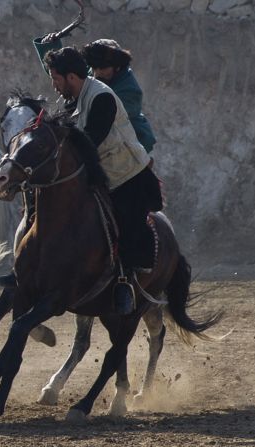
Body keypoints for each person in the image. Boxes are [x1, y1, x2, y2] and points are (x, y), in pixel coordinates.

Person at [42, 47, 163, 315]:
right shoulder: (75, 94)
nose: (53, 85)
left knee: (123, 231)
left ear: (71, 77)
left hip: (127, 177)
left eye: (56, 79)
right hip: (102, 175)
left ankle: (125, 283)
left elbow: (87, 144)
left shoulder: (102, 98)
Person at [34, 35, 156, 152]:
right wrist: (49, 46)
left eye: (102, 68)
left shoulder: (129, 91)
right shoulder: (95, 70)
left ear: (117, 67)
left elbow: (102, 119)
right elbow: (64, 73)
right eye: (94, 68)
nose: (96, 73)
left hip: (133, 142)